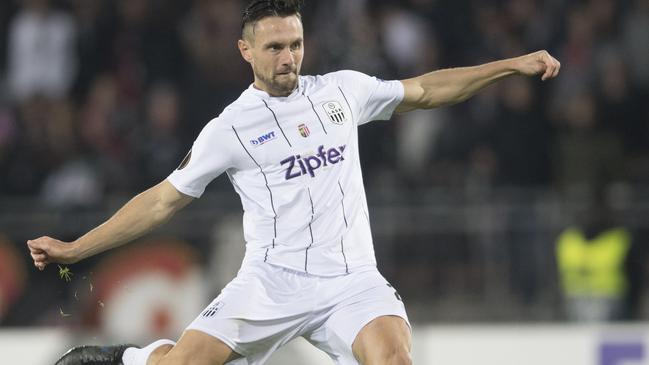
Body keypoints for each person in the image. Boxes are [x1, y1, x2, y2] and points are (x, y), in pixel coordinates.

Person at [27, 1, 560, 364]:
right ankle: (135, 357)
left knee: (395, 358)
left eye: (296, 44)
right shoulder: (229, 127)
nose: (289, 59)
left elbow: (424, 90)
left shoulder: (341, 92)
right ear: (245, 50)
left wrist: (510, 65)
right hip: (271, 283)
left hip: (352, 280)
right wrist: (77, 247)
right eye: (275, 48)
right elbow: (162, 201)